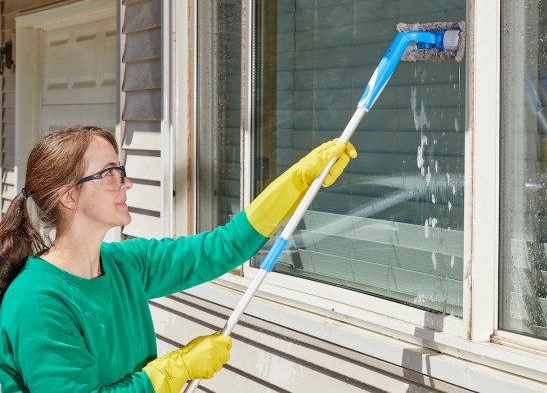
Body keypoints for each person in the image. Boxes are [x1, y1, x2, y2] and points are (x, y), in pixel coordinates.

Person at [0, 126, 357, 392]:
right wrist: (174, 369)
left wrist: (299, 179)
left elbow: (223, 248)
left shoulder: (126, 265)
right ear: (68, 197)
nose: (126, 184)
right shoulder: (38, 300)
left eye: (120, 172)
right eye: (109, 174)